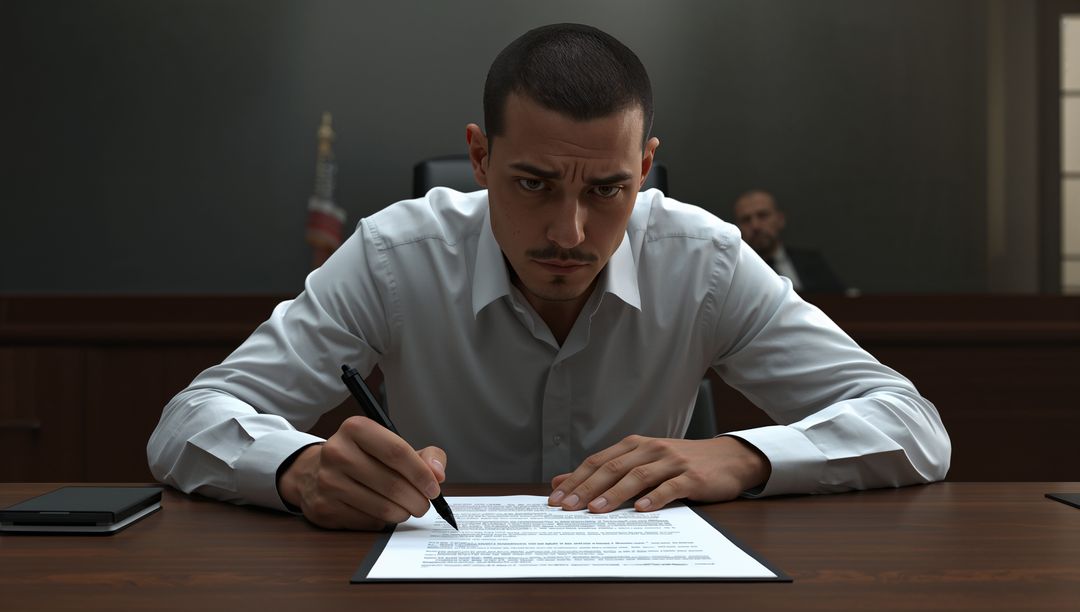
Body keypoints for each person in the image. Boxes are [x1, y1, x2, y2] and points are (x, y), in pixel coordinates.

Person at [148, 23, 950, 531]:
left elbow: (912, 426)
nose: (570, 232)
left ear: (645, 167)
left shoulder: (702, 259)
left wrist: (739, 457)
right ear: (479, 157)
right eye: (532, 183)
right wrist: (297, 471)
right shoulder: (395, 254)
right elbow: (190, 421)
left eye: (608, 190)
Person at [732, 190, 846, 293]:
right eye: (746, 220)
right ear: (737, 228)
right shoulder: (734, 274)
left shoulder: (811, 261)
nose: (755, 226)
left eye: (762, 216)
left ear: (780, 220)